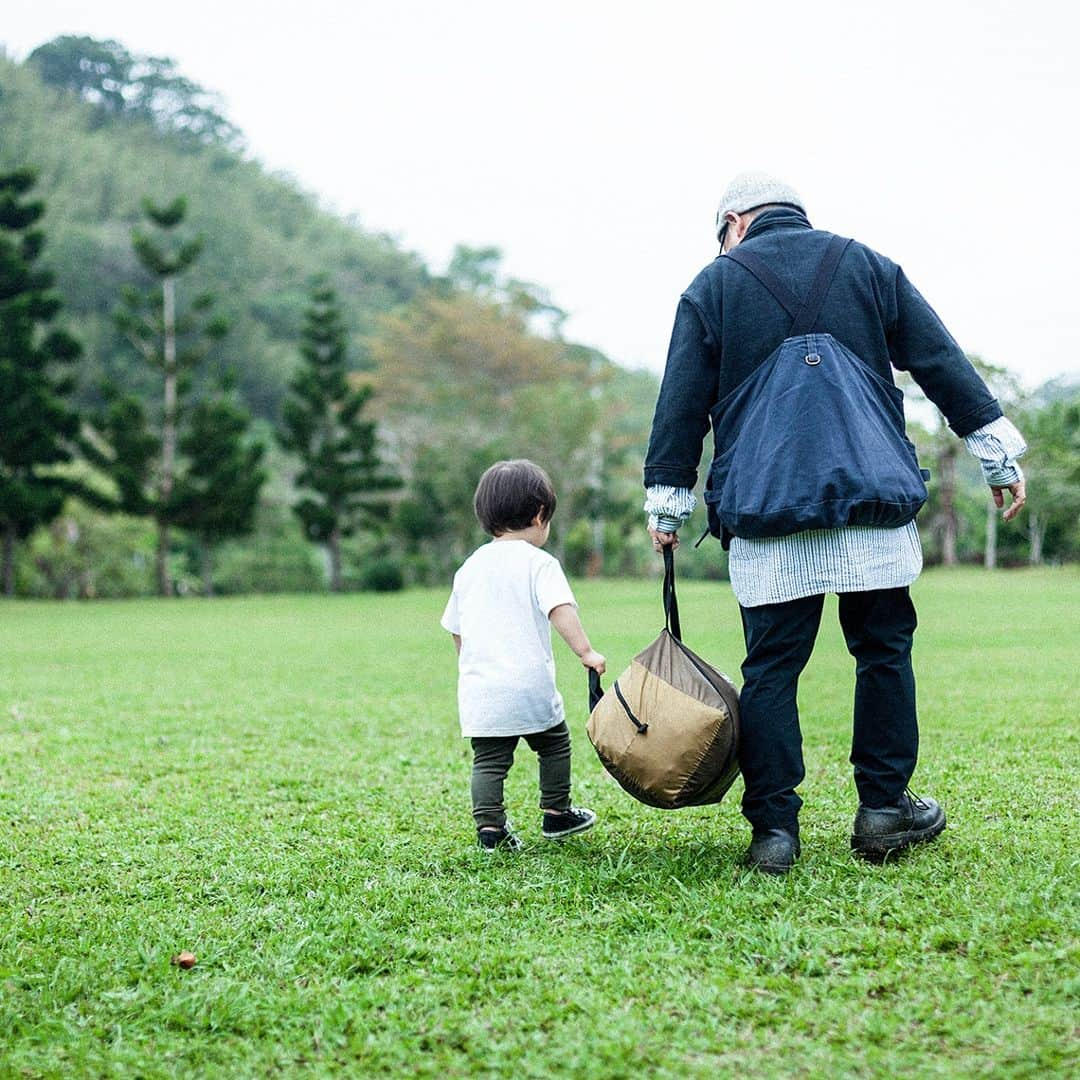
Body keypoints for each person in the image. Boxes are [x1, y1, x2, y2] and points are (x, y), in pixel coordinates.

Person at [644, 171, 1028, 874]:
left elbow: (680, 402)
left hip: (768, 510)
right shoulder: (867, 264)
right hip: (869, 504)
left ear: (734, 223)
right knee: (882, 652)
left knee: (770, 671)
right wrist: (997, 457)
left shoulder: (712, 285)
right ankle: (884, 811)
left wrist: (667, 502)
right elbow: (939, 360)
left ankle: (774, 835)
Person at [441, 458, 606, 851]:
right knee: (553, 744)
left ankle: (491, 831)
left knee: (489, 762)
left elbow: (455, 628)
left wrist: (472, 665)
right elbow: (560, 610)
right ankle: (556, 812)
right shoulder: (539, 564)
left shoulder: (469, 568)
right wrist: (585, 651)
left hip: (482, 688)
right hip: (528, 685)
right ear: (539, 515)